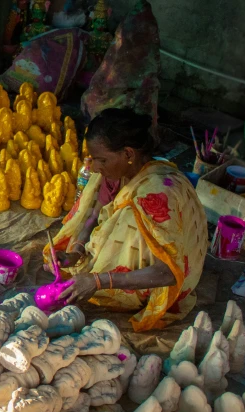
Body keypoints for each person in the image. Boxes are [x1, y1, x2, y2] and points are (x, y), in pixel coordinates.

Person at [44, 108, 208, 331]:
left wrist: (98, 281)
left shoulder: (157, 193)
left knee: (129, 216)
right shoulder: (116, 173)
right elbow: (94, 216)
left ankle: (125, 284)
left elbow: (169, 272)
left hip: (164, 276)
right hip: (152, 261)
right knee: (102, 194)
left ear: (129, 154)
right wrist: (76, 252)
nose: (95, 167)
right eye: (93, 158)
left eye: (101, 160)